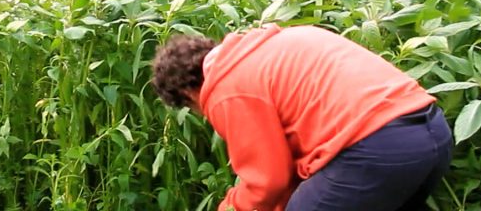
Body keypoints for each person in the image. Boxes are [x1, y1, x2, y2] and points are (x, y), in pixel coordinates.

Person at [152, 24, 452, 211]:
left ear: (189, 94)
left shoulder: (227, 86)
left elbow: (267, 181)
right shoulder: (274, 45)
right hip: (431, 134)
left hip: (375, 149)